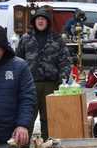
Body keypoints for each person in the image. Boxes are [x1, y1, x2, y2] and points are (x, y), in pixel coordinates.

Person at [15, 8, 71, 139]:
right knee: (26, 118)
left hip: (51, 85)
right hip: (30, 85)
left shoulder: (57, 39)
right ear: (34, 22)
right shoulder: (26, 39)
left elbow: (65, 61)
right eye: (38, 19)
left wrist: (62, 79)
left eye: (43, 19)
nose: (40, 21)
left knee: (49, 120)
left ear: (48, 22)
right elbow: (17, 61)